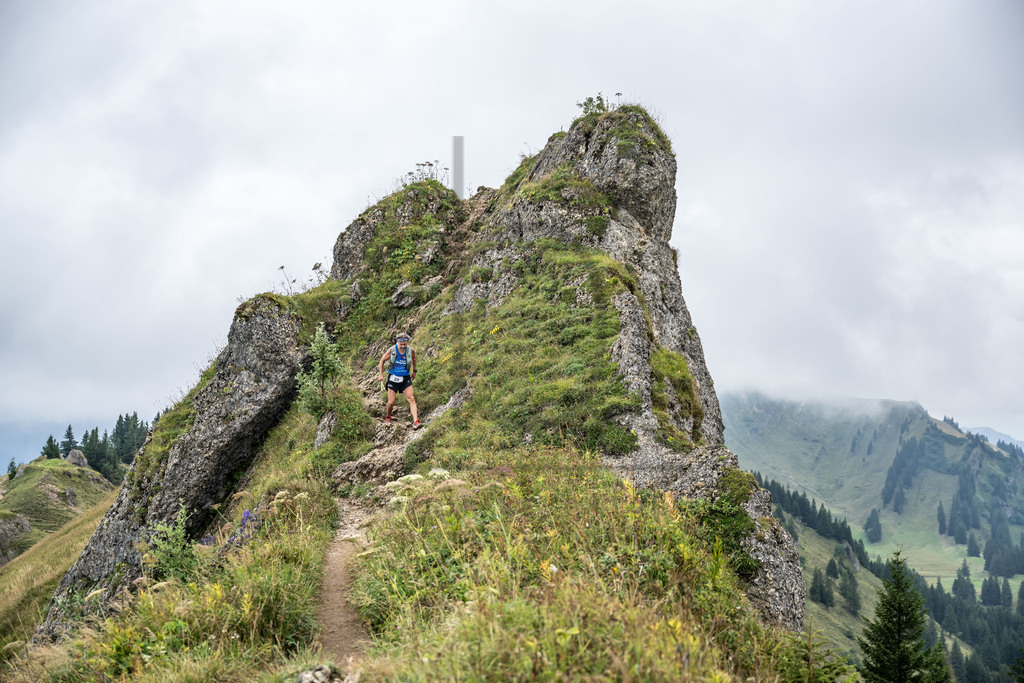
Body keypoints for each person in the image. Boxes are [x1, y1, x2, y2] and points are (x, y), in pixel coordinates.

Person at [378, 332, 421, 428]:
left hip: (405, 378)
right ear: (397, 342)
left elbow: (414, 359)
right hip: (393, 378)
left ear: (408, 342)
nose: (403, 346)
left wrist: (414, 371)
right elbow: (382, 360)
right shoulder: (392, 350)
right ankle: (388, 417)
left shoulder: (410, 350)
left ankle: (416, 421)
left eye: (405, 344)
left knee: (411, 399)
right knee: (391, 402)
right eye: (401, 344)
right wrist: (380, 374)